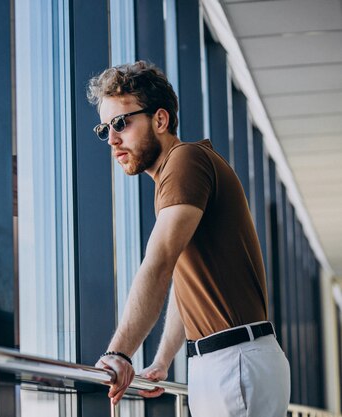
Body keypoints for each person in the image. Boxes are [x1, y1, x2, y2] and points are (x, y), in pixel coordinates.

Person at [87, 61, 291, 417]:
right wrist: (163, 360)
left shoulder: (185, 161)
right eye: (105, 129)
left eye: (121, 123)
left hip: (233, 363)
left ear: (160, 120)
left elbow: (160, 261)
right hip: (227, 363)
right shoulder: (181, 174)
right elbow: (189, 283)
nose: (113, 139)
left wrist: (118, 353)